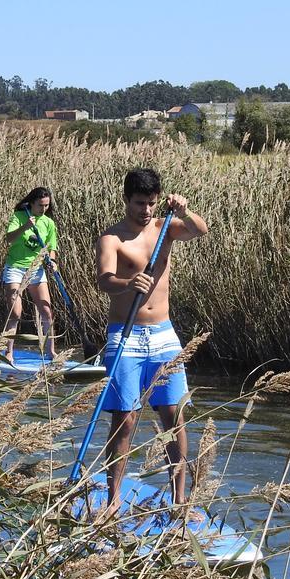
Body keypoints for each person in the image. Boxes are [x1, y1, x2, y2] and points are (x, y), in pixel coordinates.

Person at [95, 167, 208, 512]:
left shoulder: (165, 229)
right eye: (140, 203)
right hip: (125, 337)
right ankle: (113, 500)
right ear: (126, 199)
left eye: (152, 204)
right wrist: (128, 284)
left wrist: (184, 210)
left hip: (163, 335)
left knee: (173, 416)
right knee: (125, 419)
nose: (146, 210)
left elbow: (200, 231)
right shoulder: (111, 238)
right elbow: (104, 280)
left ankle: (179, 497)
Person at [0, 187, 58, 358]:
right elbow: (8, 239)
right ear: (32, 203)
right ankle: (8, 352)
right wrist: (26, 226)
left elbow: (51, 247)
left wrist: (52, 262)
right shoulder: (19, 216)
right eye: (40, 205)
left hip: (37, 269)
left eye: (47, 206)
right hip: (15, 268)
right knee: (16, 312)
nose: (44, 209)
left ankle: (51, 352)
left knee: (47, 312)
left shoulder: (49, 223)